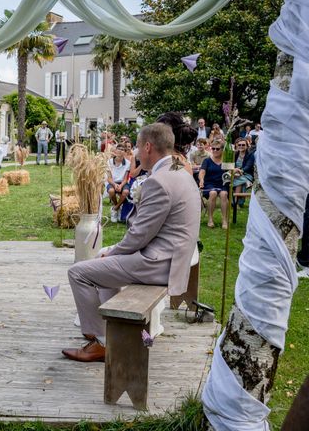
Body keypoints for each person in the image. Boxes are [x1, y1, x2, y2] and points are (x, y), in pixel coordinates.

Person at [62, 123, 200, 362]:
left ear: (148, 147)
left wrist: (114, 252)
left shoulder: (159, 181)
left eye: (137, 146)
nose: (135, 153)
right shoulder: (181, 170)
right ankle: (114, 336)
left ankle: (100, 341)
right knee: (105, 265)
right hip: (176, 256)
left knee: (78, 272)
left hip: (159, 263)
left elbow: (139, 235)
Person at [198, 140, 230, 229]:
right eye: (213, 148)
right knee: (213, 193)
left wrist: (234, 171)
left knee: (224, 194)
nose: (215, 150)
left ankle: (224, 220)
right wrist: (201, 180)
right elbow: (202, 172)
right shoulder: (207, 160)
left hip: (222, 183)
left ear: (222, 150)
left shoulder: (226, 160)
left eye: (217, 149)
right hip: (209, 184)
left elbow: (230, 171)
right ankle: (210, 219)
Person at [106, 144, 130, 223]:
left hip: (122, 182)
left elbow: (125, 179)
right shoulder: (109, 162)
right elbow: (109, 178)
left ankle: (115, 208)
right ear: (115, 151)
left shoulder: (127, 163)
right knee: (111, 191)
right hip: (113, 182)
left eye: (122, 149)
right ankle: (117, 208)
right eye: (118, 149)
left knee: (126, 192)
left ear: (125, 152)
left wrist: (121, 185)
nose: (120, 150)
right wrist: (115, 185)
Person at [232, 137, 255, 203]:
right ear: (237, 146)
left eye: (243, 145)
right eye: (239, 145)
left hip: (247, 174)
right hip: (236, 173)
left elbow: (248, 166)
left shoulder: (250, 155)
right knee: (238, 181)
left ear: (247, 146)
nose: (241, 146)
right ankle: (239, 202)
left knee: (238, 182)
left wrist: (240, 171)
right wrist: (235, 172)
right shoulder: (235, 154)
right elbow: (232, 165)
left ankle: (235, 202)